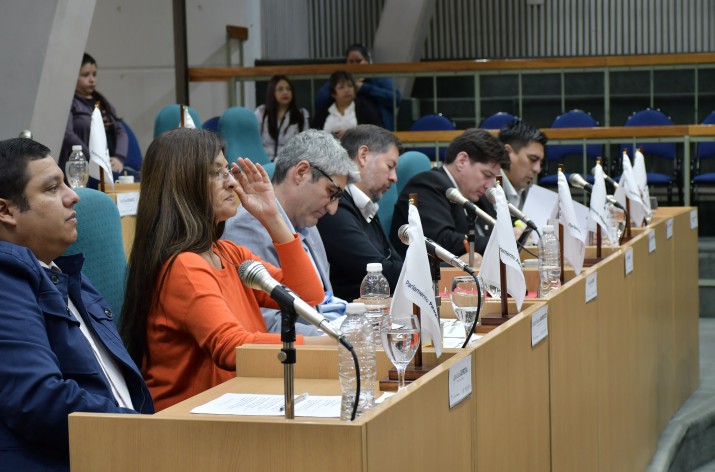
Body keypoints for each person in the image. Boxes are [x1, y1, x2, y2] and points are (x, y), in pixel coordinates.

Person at [119, 128, 329, 411]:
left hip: (236, 403)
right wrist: (328, 346)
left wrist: (271, 215)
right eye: (215, 173)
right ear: (182, 183)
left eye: (227, 170)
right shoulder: (183, 265)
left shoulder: (228, 253)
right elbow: (232, 347)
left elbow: (308, 296)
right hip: (189, 423)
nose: (231, 182)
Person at [0, 138, 153, 471]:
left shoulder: (64, 272)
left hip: (122, 448)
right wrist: (148, 432)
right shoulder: (5, 276)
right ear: (5, 211)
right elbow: (39, 401)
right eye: (53, 188)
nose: (73, 196)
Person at [223, 129, 358, 335]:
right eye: (331, 193)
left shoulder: (308, 224)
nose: (333, 209)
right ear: (301, 172)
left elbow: (320, 302)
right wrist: (342, 335)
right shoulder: (247, 226)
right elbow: (265, 325)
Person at [390, 128, 510, 259]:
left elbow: (494, 231)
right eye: (486, 174)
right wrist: (503, 243)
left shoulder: (476, 194)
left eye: (493, 178)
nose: (489, 185)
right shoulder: (426, 185)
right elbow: (443, 241)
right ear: (462, 161)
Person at [317, 124, 403, 301]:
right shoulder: (335, 208)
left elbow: (394, 262)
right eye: (389, 166)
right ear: (363, 156)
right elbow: (383, 274)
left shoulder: (364, 204)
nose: (394, 177)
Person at [59, 53, 138, 184]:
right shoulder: (70, 103)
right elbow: (68, 134)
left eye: (94, 74)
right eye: (85, 75)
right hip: (83, 168)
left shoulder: (101, 101)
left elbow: (120, 130)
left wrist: (119, 158)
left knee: (137, 179)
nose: (92, 80)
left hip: (109, 164)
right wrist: (95, 158)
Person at [315, 43, 402, 131]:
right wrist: (340, 79)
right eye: (351, 62)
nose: (354, 65)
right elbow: (319, 100)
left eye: (358, 61)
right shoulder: (341, 80)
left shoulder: (378, 78)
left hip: (380, 130)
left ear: (367, 61)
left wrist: (364, 87)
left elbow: (396, 98)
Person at [255, 75, 309, 161]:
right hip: (263, 161)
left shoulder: (301, 114)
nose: (285, 92)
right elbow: (255, 141)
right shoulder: (261, 112)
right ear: (272, 92)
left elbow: (305, 144)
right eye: (280, 89)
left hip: (289, 162)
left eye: (288, 89)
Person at [312, 71, 381, 138]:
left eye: (350, 86)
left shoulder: (365, 108)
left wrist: (351, 134)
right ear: (333, 93)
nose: (347, 90)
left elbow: (377, 133)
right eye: (341, 87)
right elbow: (313, 135)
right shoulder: (323, 111)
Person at [497, 119, 548, 210]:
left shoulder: (534, 196)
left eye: (541, 162)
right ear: (507, 152)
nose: (538, 169)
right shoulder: (483, 190)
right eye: (533, 159)